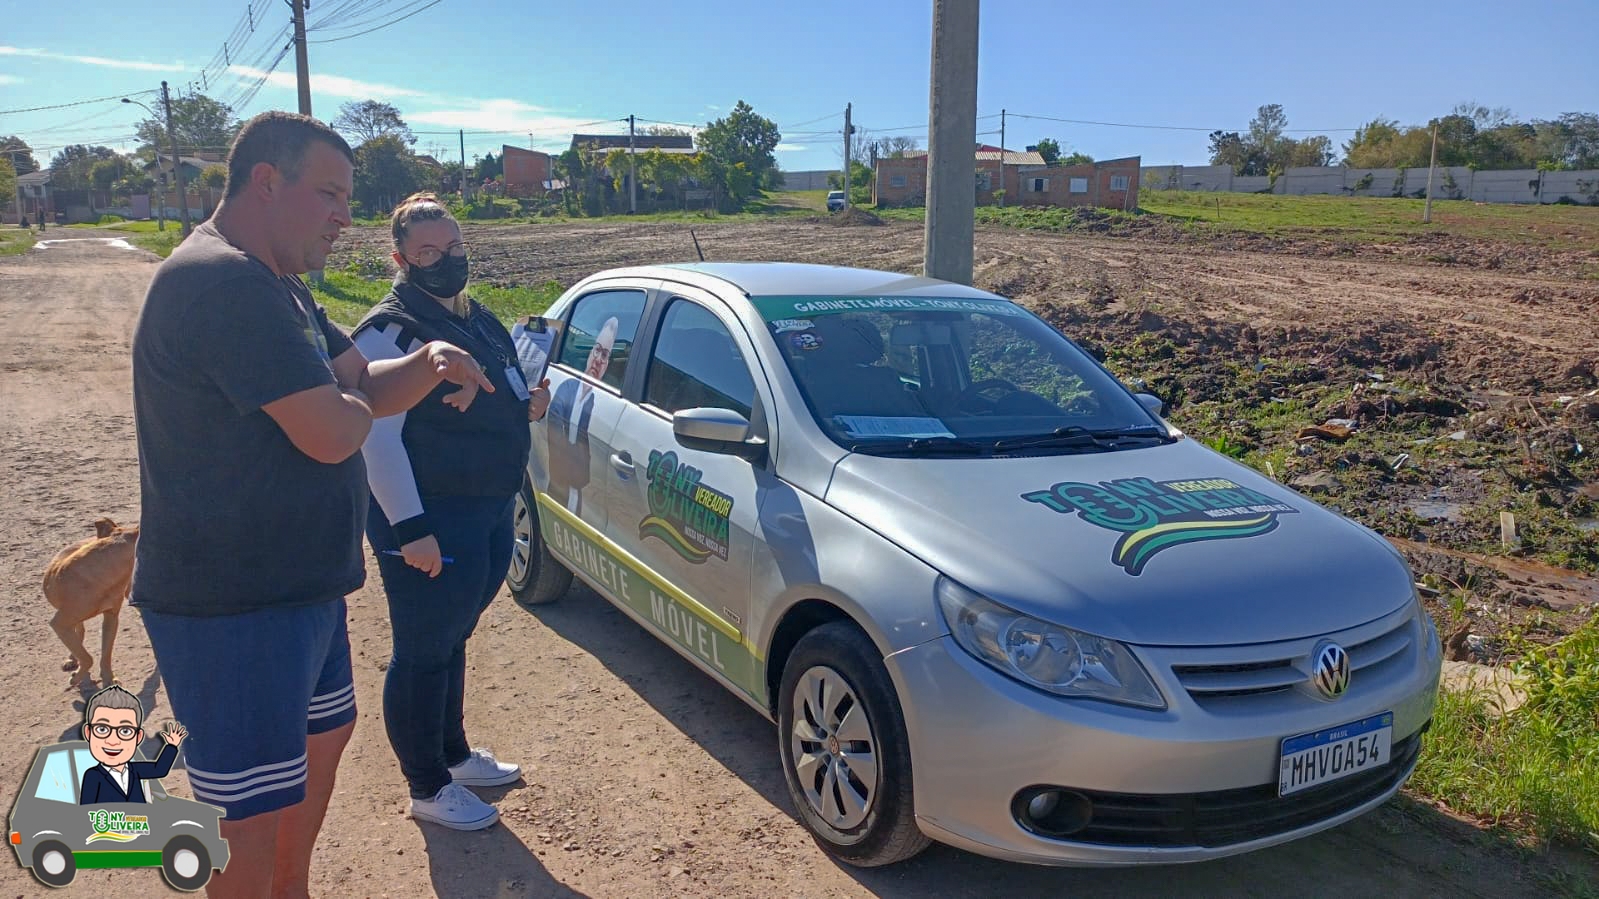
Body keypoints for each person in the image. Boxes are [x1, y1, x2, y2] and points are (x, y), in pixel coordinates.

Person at [130, 112, 492, 899]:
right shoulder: (221, 281)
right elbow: (335, 430)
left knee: (318, 750)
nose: (344, 215)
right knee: (246, 823)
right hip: (233, 605)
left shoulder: (278, 283)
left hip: (302, 591)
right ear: (267, 180)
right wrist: (352, 402)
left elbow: (363, 384)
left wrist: (427, 361)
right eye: (329, 193)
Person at [351, 193, 552, 831]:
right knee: (421, 648)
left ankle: (454, 754)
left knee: (452, 637)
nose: (447, 262)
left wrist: (527, 403)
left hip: (486, 505)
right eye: (430, 253)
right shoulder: (390, 329)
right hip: (429, 516)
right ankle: (427, 786)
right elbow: (374, 437)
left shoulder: (475, 316)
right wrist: (412, 531)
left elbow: (498, 386)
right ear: (401, 259)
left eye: (455, 247)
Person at [545, 316, 617, 514]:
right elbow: (556, 444)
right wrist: (576, 458)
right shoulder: (565, 388)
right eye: (597, 349)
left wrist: (576, 459)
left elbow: (584, 475)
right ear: (590, 351)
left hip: (578, 500)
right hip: (557, 489)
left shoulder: (599, 402)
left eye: (605, 355)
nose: (598, 359)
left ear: (608, 363)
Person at [78, 684, 187, 805]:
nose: (113, 741)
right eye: (102, 729)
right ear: (88, 733)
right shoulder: (92, 776)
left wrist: (171, 746)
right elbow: (85, 810)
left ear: (138, 737)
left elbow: (160, 769)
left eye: (125, 731)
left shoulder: (133, 770)